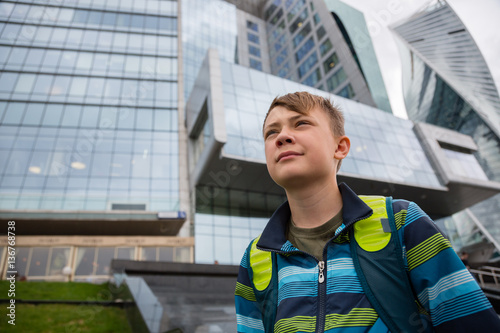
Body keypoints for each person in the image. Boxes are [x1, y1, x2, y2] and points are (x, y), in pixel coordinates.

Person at [234, 92, 500, 332]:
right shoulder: (256, 257)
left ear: (340, 147)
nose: (281, 136)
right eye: (271, 132)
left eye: (301, 123)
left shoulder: (401, 221)